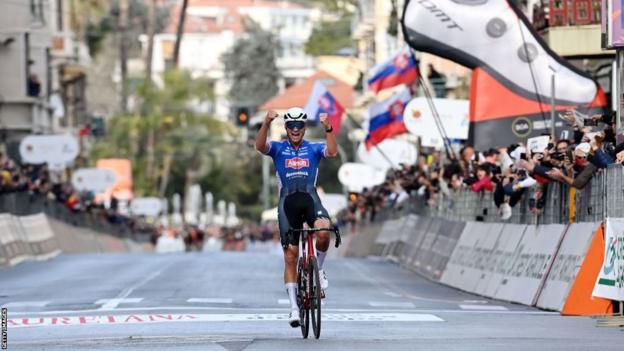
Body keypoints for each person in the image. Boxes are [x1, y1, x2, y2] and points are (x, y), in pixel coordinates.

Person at [255, 107, 338, 328]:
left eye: (299, 126)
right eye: (291, 126)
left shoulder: (313, 148)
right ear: (286, 127)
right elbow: (260, 146)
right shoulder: (279, 149)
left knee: (324, 230)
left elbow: (332, 151)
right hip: (287, 203)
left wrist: (328, 128)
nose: (294, 130)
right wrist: (266, 123)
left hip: (310, 200)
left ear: (304, 128)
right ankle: (293, 308)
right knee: (290, 256)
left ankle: (318, 271)